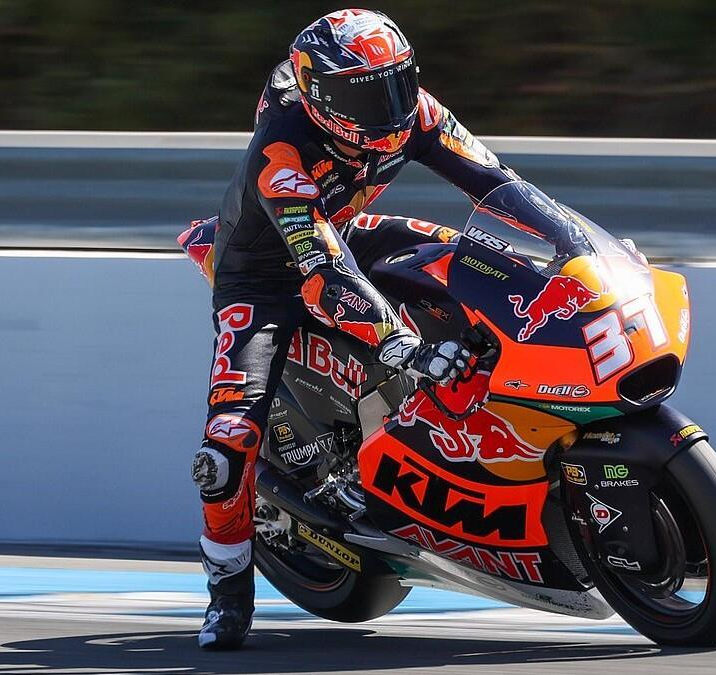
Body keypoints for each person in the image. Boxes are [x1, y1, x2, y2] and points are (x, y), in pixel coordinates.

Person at [189, 8, 571, 650]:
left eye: (396, 83)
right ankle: (228, 595)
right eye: (366, 92)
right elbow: (319, 271)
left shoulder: (413, 113)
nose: (389, 105)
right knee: (226, 448)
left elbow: (498, 184)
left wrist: (573, 243)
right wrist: (400, 341)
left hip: (345, 237)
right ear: (319, 95)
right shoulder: (281, 150)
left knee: (468, 259)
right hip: (266, 278)